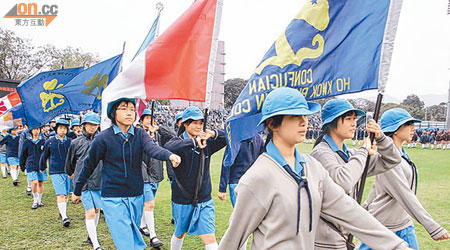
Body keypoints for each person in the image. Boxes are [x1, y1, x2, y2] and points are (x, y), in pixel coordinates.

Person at [218, 88, 412, 250]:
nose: (304, 121)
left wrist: (397, 246)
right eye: (295, 116)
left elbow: (350, 211)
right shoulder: (258, 177)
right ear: (272, 123)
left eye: (305, 115)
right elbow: (233, 240)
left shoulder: (311, 168)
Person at [71, 98, 181, 250]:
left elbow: (152, 149)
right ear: (113, 113)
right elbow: (88, 165)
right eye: (123, 108)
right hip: (112, 197)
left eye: (131, 109)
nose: (129, 113)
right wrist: (77, 191)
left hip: (136, 195)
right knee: (125, 240)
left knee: (133, 234)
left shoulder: (140, 134)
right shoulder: (103, 138)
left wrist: (169, 155)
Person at [309, 99, 402, 250]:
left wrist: (380, 137)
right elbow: (342, 180)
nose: (354, 124)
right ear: (332, 122)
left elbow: (392, 159)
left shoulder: (349, 155)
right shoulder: (321, 153)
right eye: (348, 119)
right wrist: (363, 151)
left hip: (342, 236)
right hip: (324, 241)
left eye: (354, 119)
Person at [360, 108, 450, 250]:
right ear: (396, 129)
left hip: (403, 223)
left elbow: (378, 188)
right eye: (408, 124)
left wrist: (365, 206)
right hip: (385, 227)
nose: (413, 128)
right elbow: (404, 194)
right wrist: (434, 228)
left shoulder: (400, 153)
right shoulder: (389, 159)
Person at [164, 106, 226, 250]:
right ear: (185, 124)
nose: (199, 126)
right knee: (180, 233)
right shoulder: (177, 141)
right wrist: (193, 143)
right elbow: (169, 146)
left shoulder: (207, 142)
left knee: (210, 237)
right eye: (195, 123)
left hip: (204, 198)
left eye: (201, 123)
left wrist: (213, 133)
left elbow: (228, 137)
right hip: (182, 198)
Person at [138, 108, 176, 248]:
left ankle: (142, 225)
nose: (150, 121)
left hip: (157, 174)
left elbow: (173, 135)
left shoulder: (159, 135)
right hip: (143, 174)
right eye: (146, 118)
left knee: (147, 203)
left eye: (152, 118)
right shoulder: (138, 134)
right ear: (141, 121)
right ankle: (153, 236)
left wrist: (158, 128)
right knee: (150, 204)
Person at [65, 112, 103, 250]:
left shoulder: (101, 141)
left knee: (97, 210)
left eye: (95, 125)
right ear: (84, 125)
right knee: (90, 212)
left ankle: (90, 235)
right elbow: (70, 162)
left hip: (99, 181)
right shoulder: (76, 142)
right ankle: (96, 244)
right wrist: (70, 173)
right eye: (90, 124)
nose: (92, 127)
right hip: (83, 182)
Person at [39, 118, 72, 227]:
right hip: (55, 171)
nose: (63, 130)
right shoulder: (50, 141)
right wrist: (42, 166)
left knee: (66, 194)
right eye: (60, 128)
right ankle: (65, 217)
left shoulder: (70, 142)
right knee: (60, 193)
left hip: (68, 171)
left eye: (65, 128)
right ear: (56, 129)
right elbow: (44, 155)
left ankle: (62, 210)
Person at [20, 126, 47, 209]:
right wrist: (22, 165)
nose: (36, 131)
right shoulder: (27, 142)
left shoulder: (43, 141)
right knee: (34, 182)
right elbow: (23, 155)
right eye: (34, 129)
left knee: (40, 182)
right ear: (31, 131)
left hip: (41, 164)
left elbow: (46, 153)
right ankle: (35, 199)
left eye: (38, 129)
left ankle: (39, 199)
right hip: (30, 164)